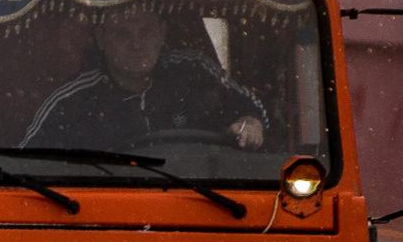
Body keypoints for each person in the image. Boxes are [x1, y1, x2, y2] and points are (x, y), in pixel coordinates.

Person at [21, 13, 266, 152]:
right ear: (102, 39)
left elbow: (254, 108)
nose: (136, 44)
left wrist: (251, 122)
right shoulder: (72, 101)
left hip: (203, 205)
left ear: (162, 33)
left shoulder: (193, 70)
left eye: (146, 32)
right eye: (122, 34)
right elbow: (26, 164)